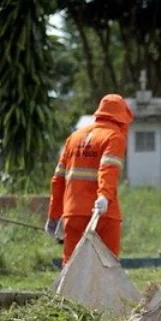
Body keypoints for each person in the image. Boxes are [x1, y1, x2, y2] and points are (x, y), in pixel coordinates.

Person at [47, 94, 132, 264]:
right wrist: (104, 196)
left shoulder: (74, 138)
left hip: (73, 213)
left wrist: (54, 215)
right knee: (107, 267)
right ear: (122, 117)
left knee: (71, 267)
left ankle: (69, 292)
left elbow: (58, 179)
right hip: (103, 214)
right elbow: (108, 169)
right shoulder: (114, 137)